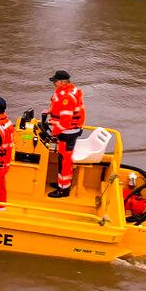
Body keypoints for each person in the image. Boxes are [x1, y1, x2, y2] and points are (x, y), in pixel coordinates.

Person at [46, 70, 86, 198]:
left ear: (63, 82)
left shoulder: (66, 98)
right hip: (69, 132)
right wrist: (49, 111)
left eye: (55, 81)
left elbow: (65, 121)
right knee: (62, 159)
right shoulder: (69, 91)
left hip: (67, 133)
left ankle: (63, 190)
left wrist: (54, 133)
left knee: (65, 161)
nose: (54, 83)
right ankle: (61, 184)